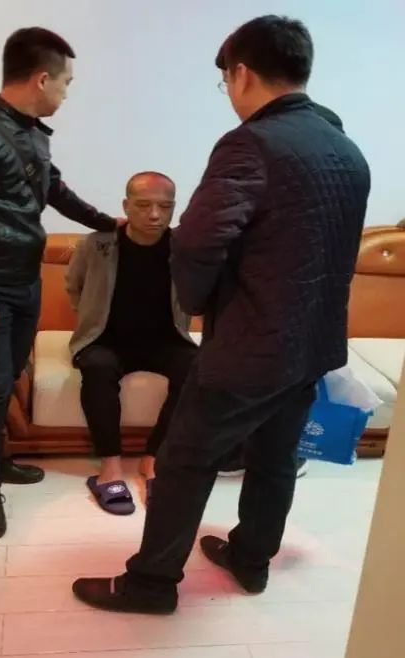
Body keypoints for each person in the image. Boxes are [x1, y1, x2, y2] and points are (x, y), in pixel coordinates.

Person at [72, 15, 370, 613]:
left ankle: (151, 584)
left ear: (241, 73)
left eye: (226, 81)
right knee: (275, 458)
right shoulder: (345, 148)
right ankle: (251, 559)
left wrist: (200, 304)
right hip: (313, 346)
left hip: (250, 347)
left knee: (184, 460)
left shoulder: (250, 144)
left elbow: (196, 242)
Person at [0, 28, 119, 540]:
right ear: (42, 79)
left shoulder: (32, 131)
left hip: (23, 278)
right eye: (66, 82)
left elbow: (54, 189)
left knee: (11, 374)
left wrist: (109, 223)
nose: (67, 92)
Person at [216, 100, 345, 479]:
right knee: (269, 408)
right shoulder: (324, 184)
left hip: (282, 322)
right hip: (295, 326)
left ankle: (270, 457)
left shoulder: (310, 189)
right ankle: (262, 457)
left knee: (270, 404)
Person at [66, 172, 198, 515]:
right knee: (96, 368)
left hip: (166, 341)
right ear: (126, 206)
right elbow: (74, 287)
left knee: (198, 369)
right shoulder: (97, 244)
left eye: (165, 207)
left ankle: (153, 459)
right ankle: (110, 467)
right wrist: (92, 318)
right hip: (106, 340)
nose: (154, 215)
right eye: (143, 205)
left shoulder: (184, 247)